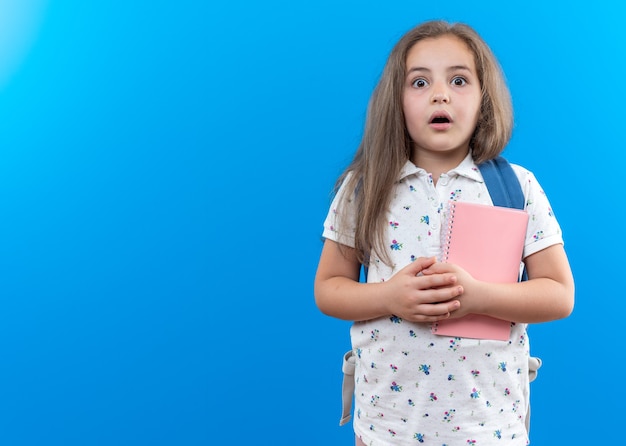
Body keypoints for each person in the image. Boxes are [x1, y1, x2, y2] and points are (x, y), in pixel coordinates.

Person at [314, 20, 574, 445]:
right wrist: (389, 297)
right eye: (419, 82)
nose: (440, 93)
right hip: (385, 430)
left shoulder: (517, 188)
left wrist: (478, 297)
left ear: (483, 98)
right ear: (394, 101)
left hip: (491, 431)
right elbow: (328, 288)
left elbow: (559, 294)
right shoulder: (364, 188)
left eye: (458, 80)